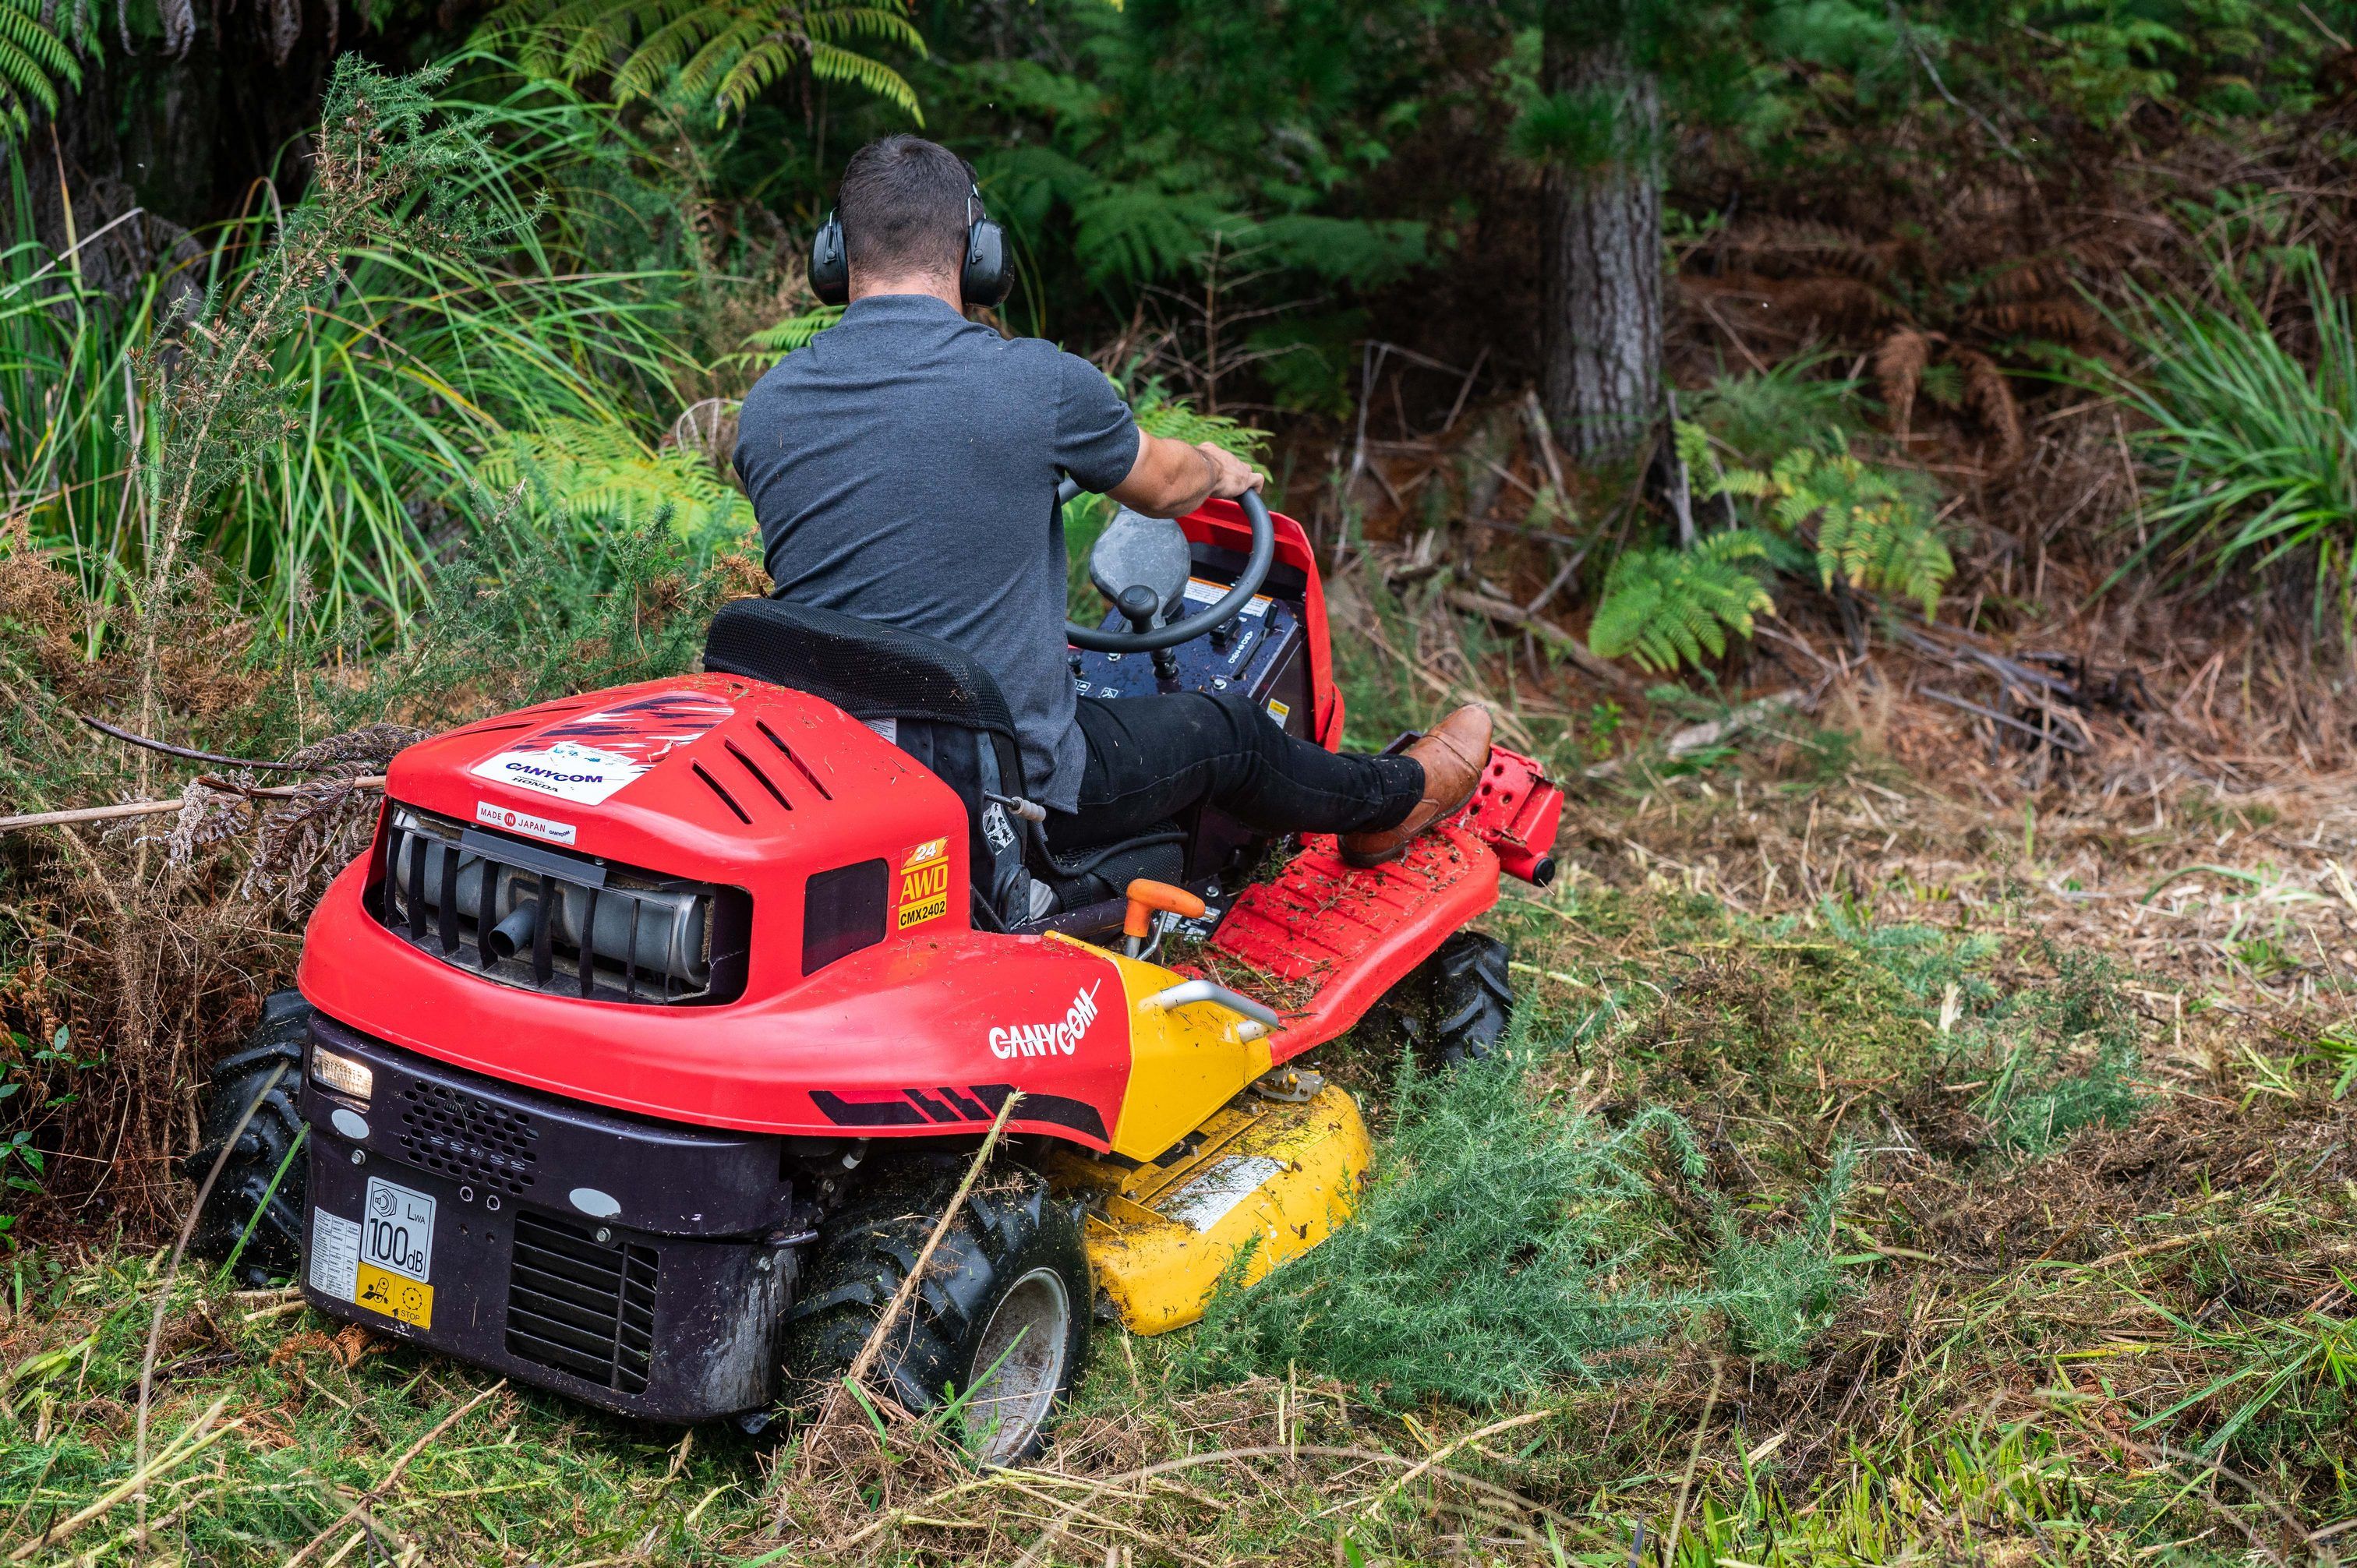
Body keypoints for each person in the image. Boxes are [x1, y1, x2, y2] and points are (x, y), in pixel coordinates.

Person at [733, 134, 1489, 868]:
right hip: (1010, 789)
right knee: (1227, 726)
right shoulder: (1039, 385)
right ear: (979, 254)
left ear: (833, 255)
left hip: (837, 778)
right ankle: (1399, 801)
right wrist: (1217, 469)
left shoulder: (766, 411)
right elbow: (1165, 486)